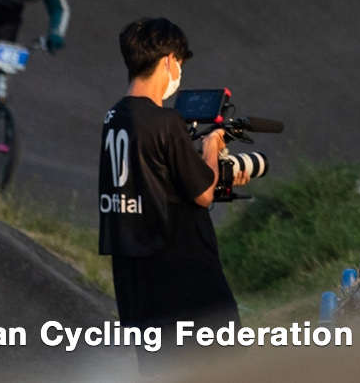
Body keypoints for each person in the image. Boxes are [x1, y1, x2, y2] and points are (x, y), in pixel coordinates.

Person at [99, 18, 251, 356]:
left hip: (138, 292)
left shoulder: (115, 118)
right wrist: (212, 149)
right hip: (188, 289)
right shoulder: (165, 121)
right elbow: (203, 192)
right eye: (179, 62)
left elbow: (151, 179)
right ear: (168, 60)